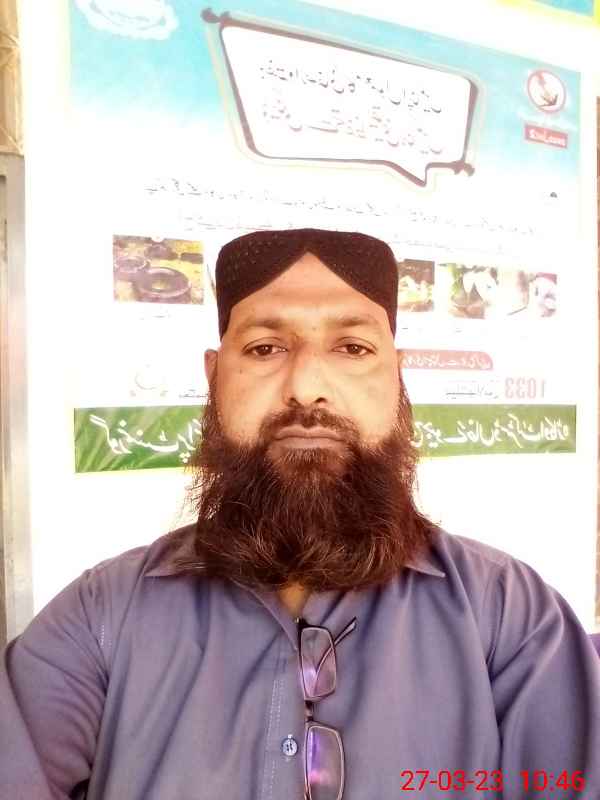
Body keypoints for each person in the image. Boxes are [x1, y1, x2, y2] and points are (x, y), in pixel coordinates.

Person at [1, 228, 599, 800]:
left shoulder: (508, 615)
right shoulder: (101, 616)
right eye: (265, 348)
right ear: (214, 377)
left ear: (396, 377)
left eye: (352, 348)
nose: (307, 386)